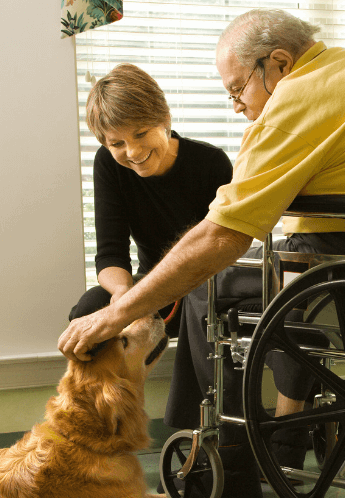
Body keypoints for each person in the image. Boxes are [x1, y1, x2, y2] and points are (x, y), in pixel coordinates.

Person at [59, 9, 345, 497]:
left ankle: (216, 452)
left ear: (277, 64)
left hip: (344, 270)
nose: (237, 105)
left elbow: (221, 237)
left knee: (205, 292)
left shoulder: (295, 101)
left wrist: (121, 314)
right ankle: (273, 437)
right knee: (260, 278)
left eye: (238, 89)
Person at [68, 63, 232, 328]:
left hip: (205, 290)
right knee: (88, 309)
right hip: (148, 288)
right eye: (117, 143)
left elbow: (221, 250)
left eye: (140, 133)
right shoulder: (109, 164)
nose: (132, 152)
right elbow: (110, 254)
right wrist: (123, 295)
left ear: (165, 119)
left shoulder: (211, 163)